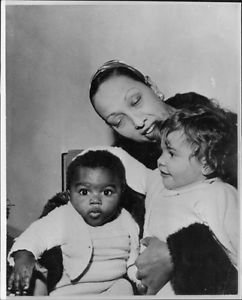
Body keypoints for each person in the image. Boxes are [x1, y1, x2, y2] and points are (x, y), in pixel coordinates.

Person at [88, 60, 238, 294]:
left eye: (136, 101)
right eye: (118, 121)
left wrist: (178, 251)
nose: (138, 123)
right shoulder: (136, 165)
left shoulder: (224, 136)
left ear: (153, 87)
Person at [7, 150, 141, 296]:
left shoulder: (125, 220)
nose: (95, 200)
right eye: (84, 192)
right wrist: (24, 257)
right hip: (68, 292)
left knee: (124, 286)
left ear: (121, 192)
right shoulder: (64, 216)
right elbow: (34, 237)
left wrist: (139, 278)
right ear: (69, 195)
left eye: (107, 192)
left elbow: (133, 258)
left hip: (109, 290)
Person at [143, 106, 238, 295]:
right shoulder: (160, 187)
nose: (160, 161)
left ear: (207, 164)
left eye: (171, 153)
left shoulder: (218, 194)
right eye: (161, 151)